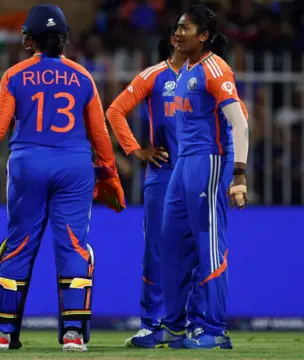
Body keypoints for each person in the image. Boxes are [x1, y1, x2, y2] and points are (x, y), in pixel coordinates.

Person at [0, 5, 124, 352]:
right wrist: (109, 175)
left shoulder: (15, 75)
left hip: (28, 164)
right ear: (63, 40)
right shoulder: (82, 77)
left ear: (29, 39)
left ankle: (2, 333)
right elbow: (100, 133)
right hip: (74, 166)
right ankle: (73, 334)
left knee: (18, 244)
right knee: (75, 245)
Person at [106, 25, 249, 348]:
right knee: (159, 249)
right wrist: (135, 150)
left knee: (200, 250)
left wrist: (235, 167)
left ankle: (199, 324)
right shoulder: (154, 75)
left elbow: (237, 113)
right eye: (178, 31)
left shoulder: (206, 71)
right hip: (163, 172)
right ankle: (153, 323)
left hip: (199, 168)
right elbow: (115, 110)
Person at [160, 5, 248, 349]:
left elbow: (240, 123)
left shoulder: (215, 68)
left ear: (204, 36)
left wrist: (238, 176)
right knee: (172, 242)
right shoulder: (186, 69)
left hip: (210, 162)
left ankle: (214, 330)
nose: (178, 33)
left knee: (208, 244)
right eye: (177, 27)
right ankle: (179, 325)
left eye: (186, 28)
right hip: (183, 164)